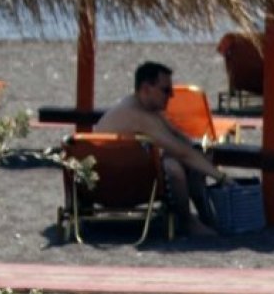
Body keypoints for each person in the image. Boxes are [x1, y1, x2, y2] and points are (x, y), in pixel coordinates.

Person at [95, 61, 231, 237]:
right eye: (166, 90)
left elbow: (179, 138)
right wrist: (221, 177)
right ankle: (187, 222)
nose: (171, 95)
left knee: (187, 159)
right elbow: (181, 151)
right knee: (173, 166)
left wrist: (199, 153)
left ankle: (206, 218)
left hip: (110, 182)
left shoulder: (141, 109)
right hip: (118, 188)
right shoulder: (138, 116)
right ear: (146, 88)